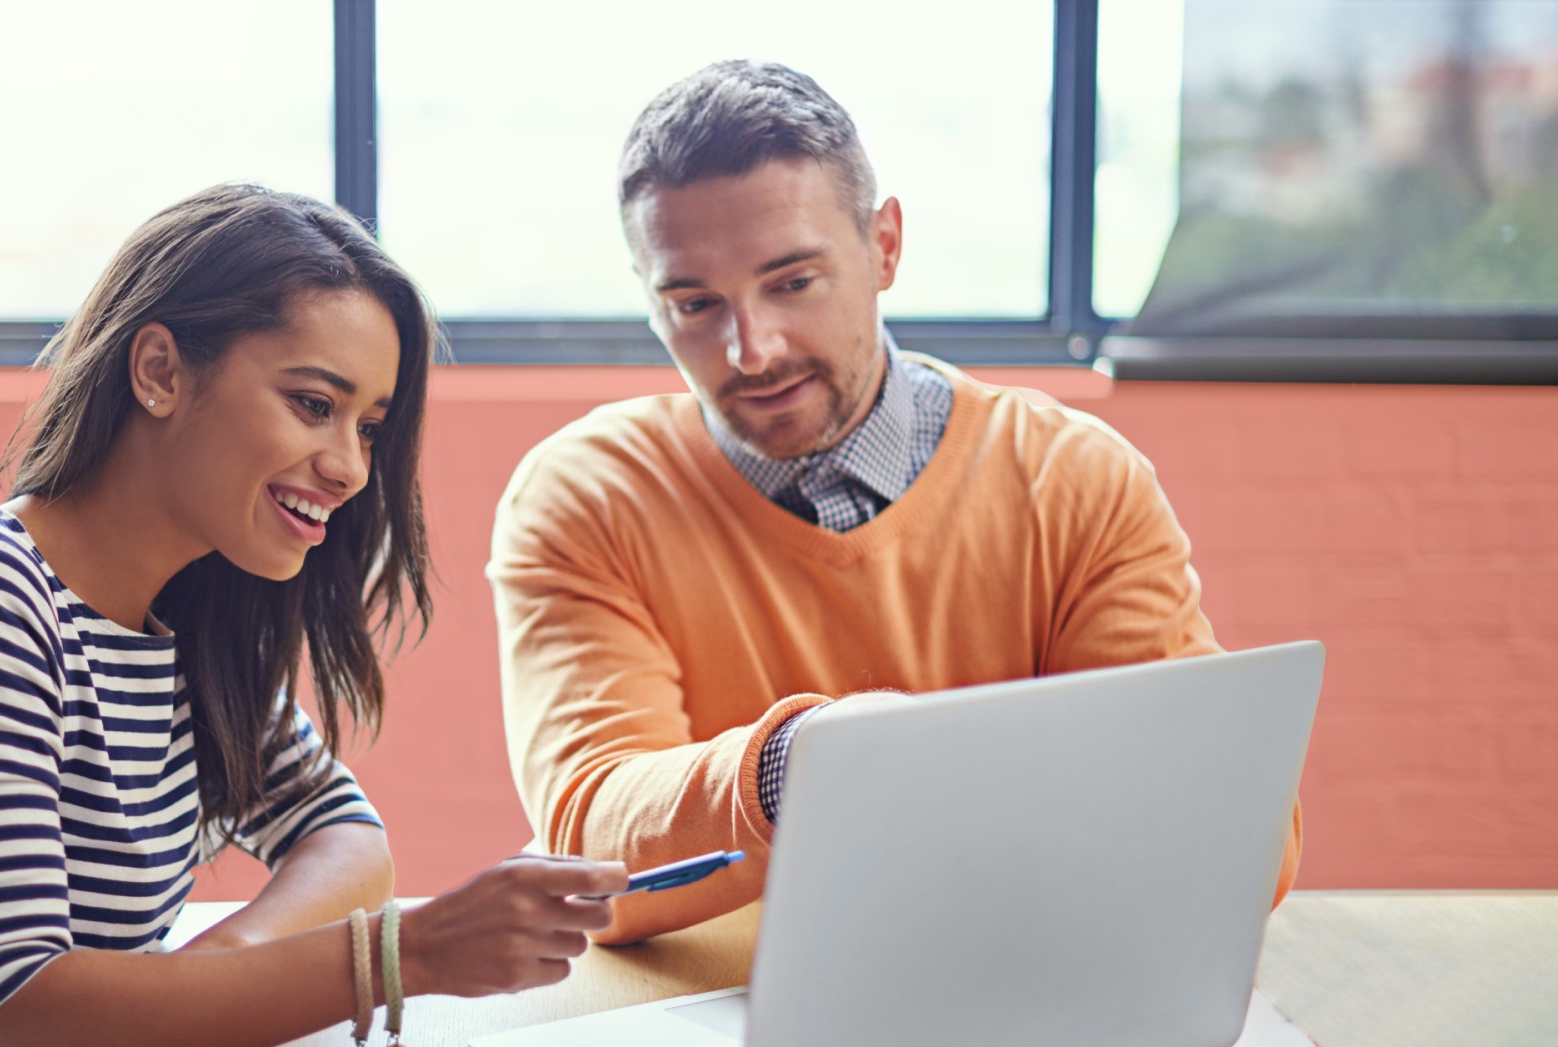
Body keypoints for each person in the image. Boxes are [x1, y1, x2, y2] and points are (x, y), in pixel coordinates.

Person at [0, 184, 628, 1047]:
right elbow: (8, 1018)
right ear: (160, 372)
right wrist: (404, 957)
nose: (350, 469)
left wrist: (216, 969)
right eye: (314, 405)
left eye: (368, 426)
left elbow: (348, 838)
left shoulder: (182, 625)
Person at [488, 61, 1302, 945]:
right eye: (694, 303)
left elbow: (1225, 842)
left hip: (1016, 984)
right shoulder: (586, 496)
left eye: (793, 282)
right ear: (651, 303)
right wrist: (799, 767)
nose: (751, 349)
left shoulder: (1073, 480)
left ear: (884, 248)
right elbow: (586, 862)